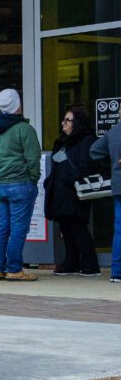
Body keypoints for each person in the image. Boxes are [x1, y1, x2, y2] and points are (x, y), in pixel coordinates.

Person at [0, 88, 41, 282]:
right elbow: (33, 159)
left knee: (1, 227)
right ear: (18, 105)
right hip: (20, 184)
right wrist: (32, 178)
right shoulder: (25, 129)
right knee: (18, 228)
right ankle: (14, 268)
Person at [44, 106, 101, 276]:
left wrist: (71, 177)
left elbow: (87, 165)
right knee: (66, 229)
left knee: (78, 228)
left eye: (68, 120)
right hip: (60, 192)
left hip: (75, 190)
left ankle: (90, 264)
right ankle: (72, 262)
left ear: (77, 123)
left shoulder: (87, 140)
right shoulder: (61, 142)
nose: (63, 124)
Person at [89, 116, 121, 283]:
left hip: (118, 183)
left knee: (119, 229)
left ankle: (117, 271)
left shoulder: (113, 132)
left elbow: (94, 152)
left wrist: (111, 165)